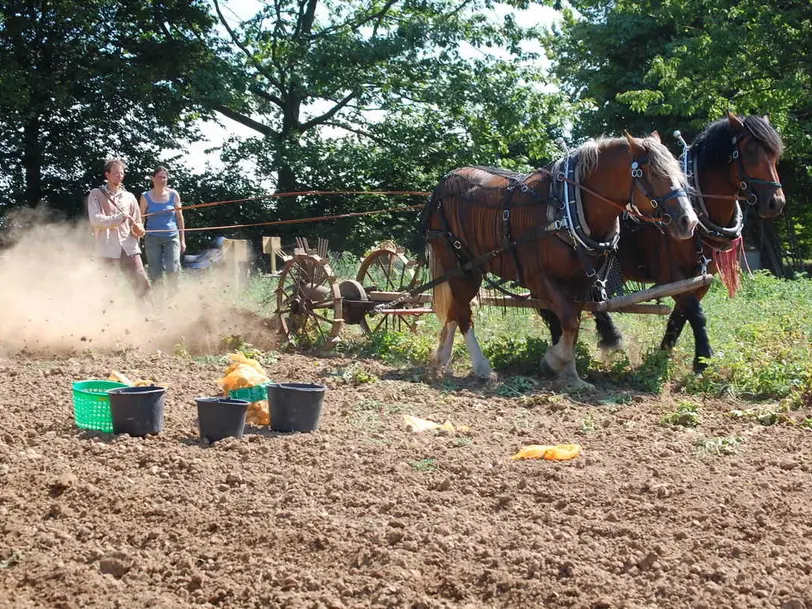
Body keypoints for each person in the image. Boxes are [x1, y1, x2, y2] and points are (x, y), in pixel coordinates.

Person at [87, 159, 152, 301]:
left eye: (121, 173)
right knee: (108, 289)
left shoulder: (130, 198)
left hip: (129, 247)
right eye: (116, 173)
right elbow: (96, 220)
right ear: (107, 175)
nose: (119, 176)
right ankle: (109, 321)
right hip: (106, 248)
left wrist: (138, 230)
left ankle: (151, 317)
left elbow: (138, 224)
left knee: (141, 283)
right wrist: (119, 217)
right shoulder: (96, 194)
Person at [139, 166, 185, 288]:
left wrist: (182, 240)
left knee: (173, 268)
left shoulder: (174, 195)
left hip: (171, 236)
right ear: (153, 178)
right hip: (152, 237)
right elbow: (141, 219)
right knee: (155, 271)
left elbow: (180, 218)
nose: (163, 180)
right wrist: (138, 235)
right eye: (160, 177)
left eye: (165, 177)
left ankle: (173, 297)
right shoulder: (145, 196)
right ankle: (158, 300)